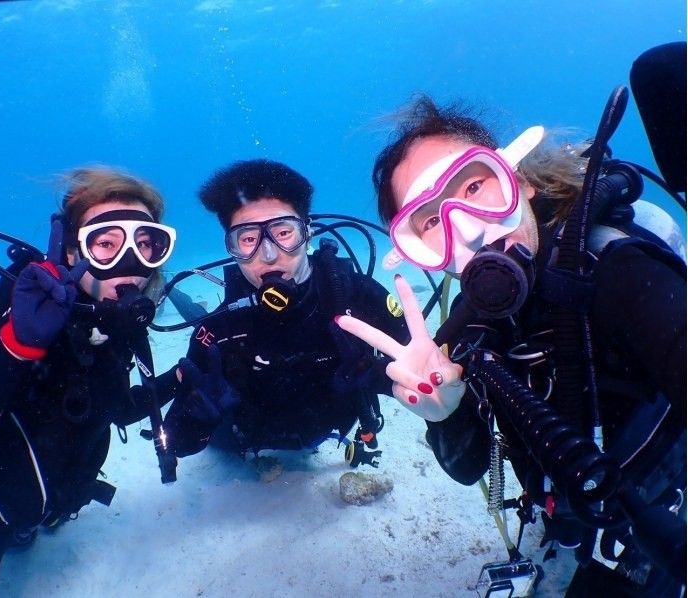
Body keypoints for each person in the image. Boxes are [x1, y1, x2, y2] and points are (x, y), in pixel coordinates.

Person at [337, 96, 686, 596]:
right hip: (561, 515)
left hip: (666, 505)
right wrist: (445, 414)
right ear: (418, 252)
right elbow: (467, 469)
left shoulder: (616, 271)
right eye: (432, 221)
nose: (472, 231)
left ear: (518, 181)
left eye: (475, 185)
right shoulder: (462, 337)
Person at [0, 166, 177, 597]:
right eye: (105, 244)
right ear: (68, 252)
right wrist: (15, 348)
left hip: (42, 502)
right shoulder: (17, 311)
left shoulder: (113, 325)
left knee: (23, 530)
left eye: (147, 244)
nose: (130, 264)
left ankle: (24, 530)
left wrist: (180, 377)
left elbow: (113, 407)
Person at [160, 159, 409, 464]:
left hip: (329, 426)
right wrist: (199, 416)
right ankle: (189, 305)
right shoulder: (222, 329)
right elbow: (174, 445)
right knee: (199, 319)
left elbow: (425, 367)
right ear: (232, 249)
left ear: (308, 232)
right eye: (248, 239)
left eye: (283, 233)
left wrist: (384, 378)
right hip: (241, 438)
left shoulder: (353, 295)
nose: (268, 254)